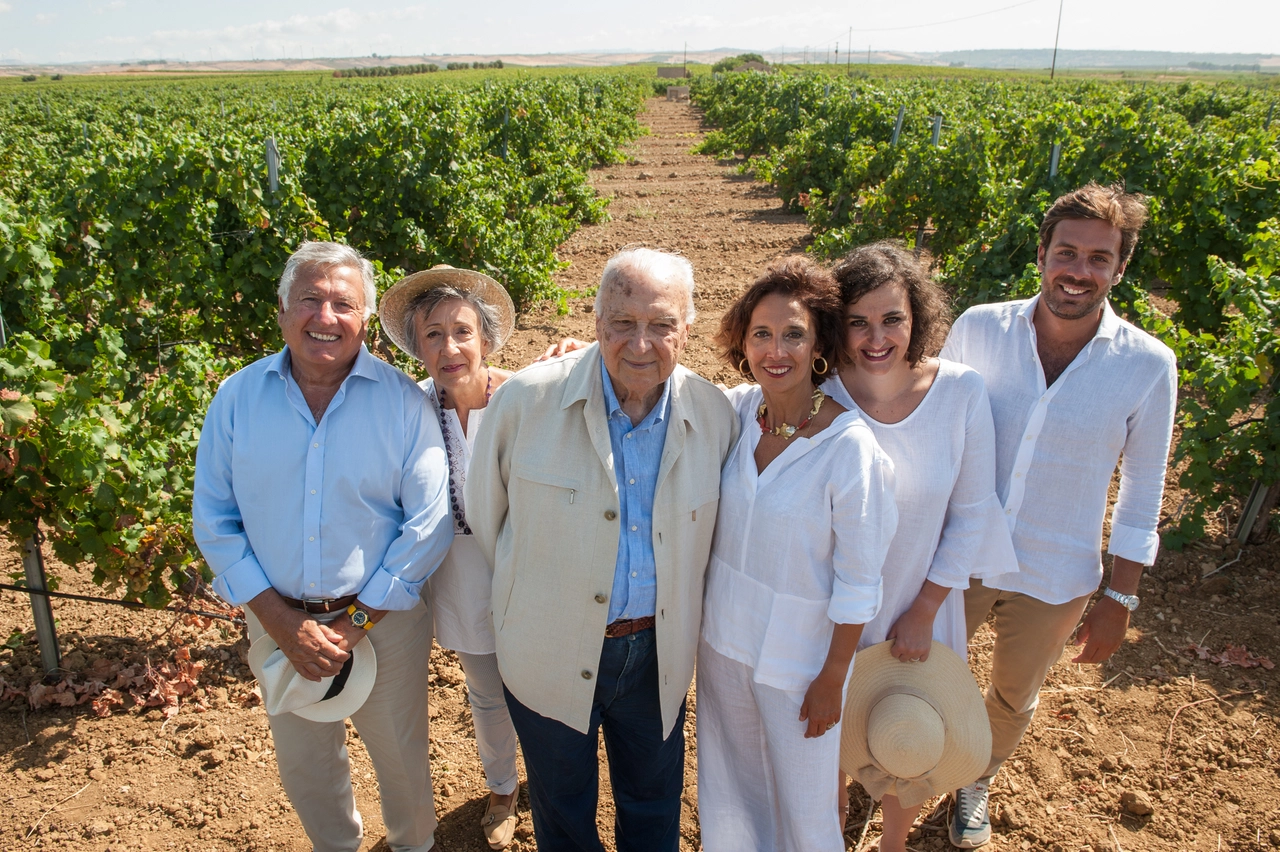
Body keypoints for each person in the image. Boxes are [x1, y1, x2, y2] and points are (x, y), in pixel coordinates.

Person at [465, 247, 739, 852]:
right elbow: (490, 518)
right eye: (622, 323)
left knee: (653, 803)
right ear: (595, 324)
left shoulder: (715, 415)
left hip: (657, 658)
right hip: (546, 650)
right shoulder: (527, 402)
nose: (641, 342)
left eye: (661, 324)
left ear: (687, 330)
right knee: (562, 811)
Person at [193, 241, 454, 852]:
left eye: (344, 302)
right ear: (282, 311)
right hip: (277, 621)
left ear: (365, 320)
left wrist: (358, 621)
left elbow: (428, 523)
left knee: (401, 761)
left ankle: (414, 846)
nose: (326, 316)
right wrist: (280, 622)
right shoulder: (236, 399)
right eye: (309, 299)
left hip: (383, 625)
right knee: (306, 767)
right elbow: (215, 518)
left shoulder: (402, 404)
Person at [940, 183, 1178, 848]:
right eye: (1067, 252)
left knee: (1013, 697)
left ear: (1120, 268)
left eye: (1099, 259)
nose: (1079, 270)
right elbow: (939, 436)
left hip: (1058, 568)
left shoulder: (1148, 366)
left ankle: (974, 781)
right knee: (919, 671)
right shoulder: (979, 328)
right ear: (1042, 253)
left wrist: (1120, 594)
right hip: (960, 553)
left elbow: (1144, 482)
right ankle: (896, 768)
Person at [696, 256, 897, 852]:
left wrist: (834, 676)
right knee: (729, 786)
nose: (774, 350)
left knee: (804, 801)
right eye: (761, 333)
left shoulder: (851, 451)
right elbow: (660, 390)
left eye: (793, 334)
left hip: (799, 662)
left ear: (819, 347)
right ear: (743, 341)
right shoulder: (736, 412)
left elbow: (859, 580)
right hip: (723, 643)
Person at [821, 242, 1018, 852]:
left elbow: (972, 514)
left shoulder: (960, 393)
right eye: (858, 322)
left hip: (917, 597)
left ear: (918, 316)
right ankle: (828, 832)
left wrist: (926, 609)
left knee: (907, 731)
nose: (875, 337)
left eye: (892, 319)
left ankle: (893, 843)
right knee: (829, 734)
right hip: (830, 599)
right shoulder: (821, 388)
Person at [377, 265, 521, 850]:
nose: (449, 347)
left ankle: (560, 780)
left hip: (530, 575)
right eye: (432, 335)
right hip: (459, 578)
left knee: (545, 689)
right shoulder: (408, 411)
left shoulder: (523, 398)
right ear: (417, 348)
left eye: (461, 331)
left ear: (485, 338)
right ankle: (503, 789)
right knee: (486, 692)